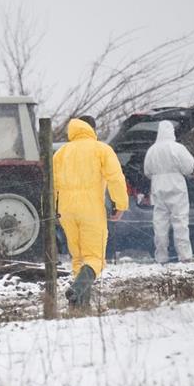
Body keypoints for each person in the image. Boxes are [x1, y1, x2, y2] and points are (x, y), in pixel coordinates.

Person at [53, 115, 128, 308]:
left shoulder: (60, 153)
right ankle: (77, 289)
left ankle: (79, 305)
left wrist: (53, 209)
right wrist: (120, 204)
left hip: (66, 211)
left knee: (78, 258)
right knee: (95, 258)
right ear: (92, 129)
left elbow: (51, 185)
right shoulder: (101, 149)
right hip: (91, 210)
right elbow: (115, 178)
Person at [143, 120, 194, 263]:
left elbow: (147, 171)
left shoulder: (152, 150)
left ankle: (161, 256)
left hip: (158, 187)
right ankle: (185, 256)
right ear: (171, 131)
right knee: (180, 222)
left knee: (160, 224)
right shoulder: (177, 148)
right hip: (177, 186)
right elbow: (189, 167)